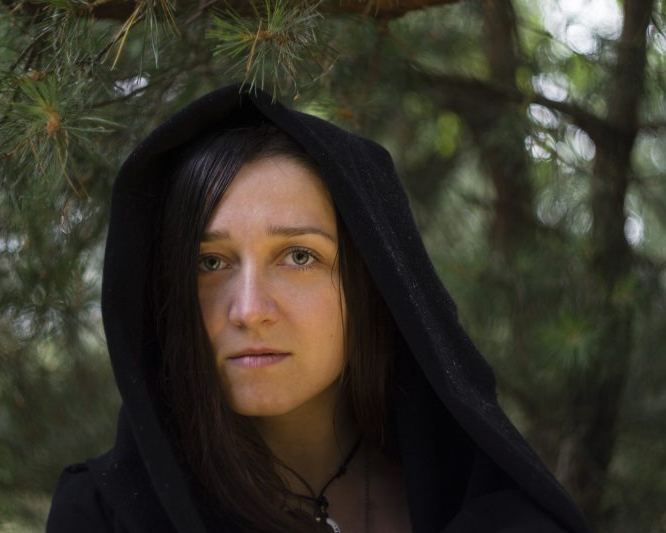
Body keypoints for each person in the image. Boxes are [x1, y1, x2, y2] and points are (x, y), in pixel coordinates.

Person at [46, 85, 590, 533]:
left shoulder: (500, 517)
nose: (249, 310)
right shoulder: (104, 519)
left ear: (371, 282)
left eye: (299, 256)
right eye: (209, 263)